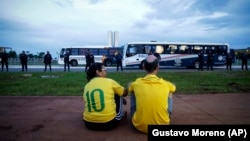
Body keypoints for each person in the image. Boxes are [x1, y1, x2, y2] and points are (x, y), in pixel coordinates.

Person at [128, 55, 176, 134]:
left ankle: (138, 117)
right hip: (162, 125)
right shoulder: (165, 84)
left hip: (139, 126)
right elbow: (174, 88)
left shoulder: (137, 83)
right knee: (170, 91)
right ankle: (166, 116)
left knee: (133, 91)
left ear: (144, 67)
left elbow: (129, 87)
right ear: (157, 67)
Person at [82, 62, 128, 131]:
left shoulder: (87, 85)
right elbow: (124, 93)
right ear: (98, 72)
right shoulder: (109, 82)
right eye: (104, 69)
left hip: (88, 123)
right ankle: (120, 115)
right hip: (108, 123)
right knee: (119, 94)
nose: (106, 70)